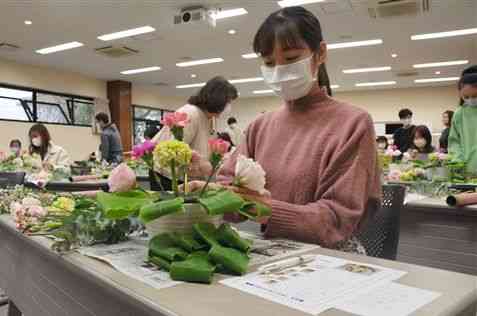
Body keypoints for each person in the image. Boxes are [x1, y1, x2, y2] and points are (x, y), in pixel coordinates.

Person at [214, 6, 380, 253]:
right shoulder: (260, 127)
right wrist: (208, 190)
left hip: (331, 258)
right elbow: (230, 192)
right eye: (269, 63)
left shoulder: (353, 123)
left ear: (320, 53)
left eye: (291, 59)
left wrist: (264, 207)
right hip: (273, 253)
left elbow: (335, 220)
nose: (280, 71)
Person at [152, 76, 238, 189]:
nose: (229, 107)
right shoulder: (191, 113)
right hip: (167, 176)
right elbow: (173, 149)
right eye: (228, 102)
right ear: (218, 99)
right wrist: (199, 163)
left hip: (185, 177)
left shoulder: (208, 118)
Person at [449, 66, 477, 174]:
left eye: (475, 96)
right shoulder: (459, 113)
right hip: (468, 171)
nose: (471, 100)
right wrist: (458, 160)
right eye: (466, 97)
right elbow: (454, 142)